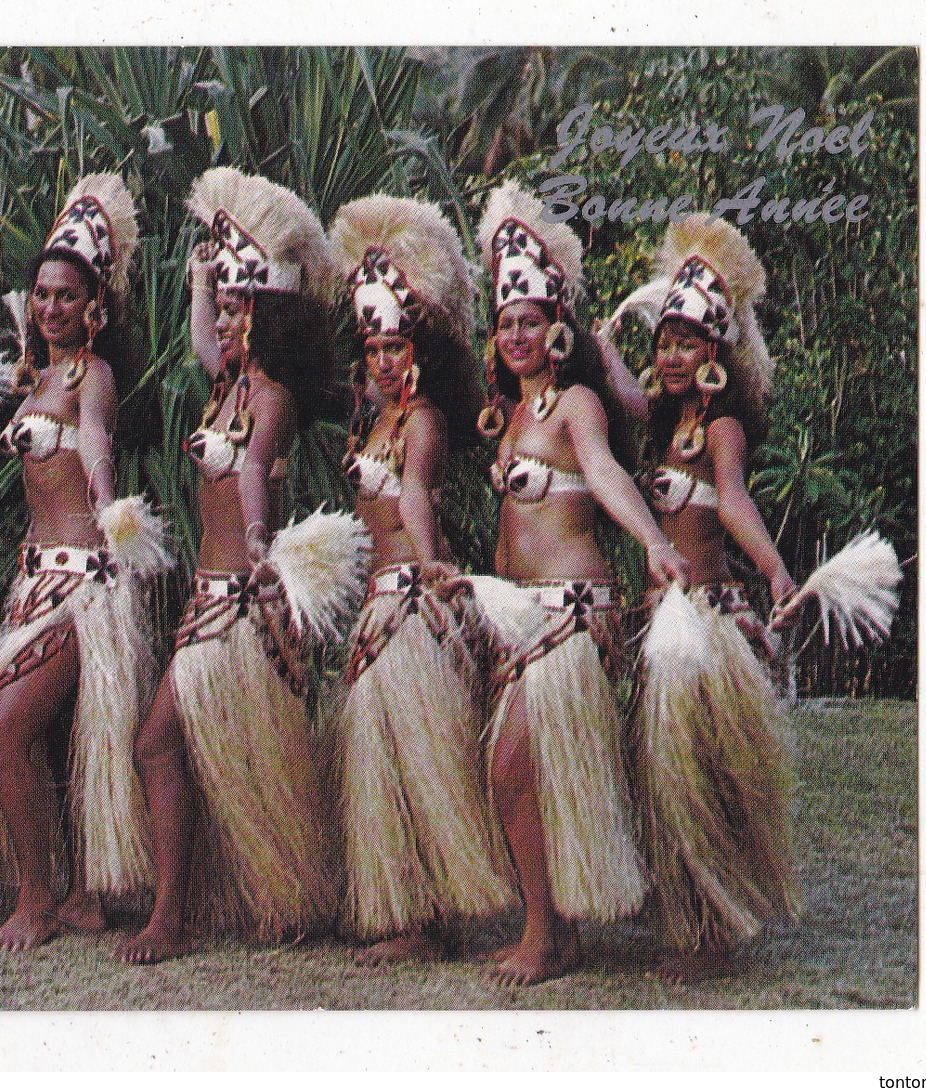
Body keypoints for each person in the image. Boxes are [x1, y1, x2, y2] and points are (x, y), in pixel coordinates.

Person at [116, 167, 341, 963]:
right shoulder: (227, 382)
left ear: (271, 313)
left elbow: (251, 471)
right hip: (208, 599)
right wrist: (198, 279)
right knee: (215, 748)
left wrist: (252, 537)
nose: (230, 318)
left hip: (238, 597)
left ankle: (172, 914)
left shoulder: (270, 392)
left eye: (245, 304)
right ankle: (261, 893)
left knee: (157, 741)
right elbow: (201, 341)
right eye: (229, 303)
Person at [472, 181, 688, 985]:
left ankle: (542, 932)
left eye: (530, 320)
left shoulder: (574, 406)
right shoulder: (512, 414)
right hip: (515, 614)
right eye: (505, 322)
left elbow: (603, 474)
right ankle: (550, 927)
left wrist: (654, 542)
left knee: (511, 764)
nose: (517, 333)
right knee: (515, 768)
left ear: (555, 330)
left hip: (567, 613)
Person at [602, 213, 802, 984]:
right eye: (665, 342)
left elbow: (732, 503)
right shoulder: (662, 421)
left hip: (707, 617)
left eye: (686, 343)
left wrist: (775, 568)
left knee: (699, 771)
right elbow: (623, 392)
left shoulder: (719, 428)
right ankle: (687, 916)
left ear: (714, 352)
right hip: (662, 622)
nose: (671, 355)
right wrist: (604, 338)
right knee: (660, 768)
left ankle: (711, 931)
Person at [0, 174, 166, 950]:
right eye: (41, 294)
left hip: (80, 580)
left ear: (93, 307)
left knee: (0, 734)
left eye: (65, 296)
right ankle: (80, 889)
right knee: (49, 741)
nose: (50, 307)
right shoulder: (38, 379)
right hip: (35, 580)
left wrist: (111, 510)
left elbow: (92, 440)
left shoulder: (91, 376)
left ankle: (35, 896)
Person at [325, 194, 516, 964]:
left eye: (396, 347)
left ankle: (427, 917)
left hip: (407, 599)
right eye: (373, 346)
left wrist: (435, 568)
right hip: (381, 602)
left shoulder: (425, 420)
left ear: (422, 352)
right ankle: (401, 904)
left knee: (413, 755)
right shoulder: (374, 418)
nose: (382, 359)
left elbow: (411, 497)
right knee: (382, 756)